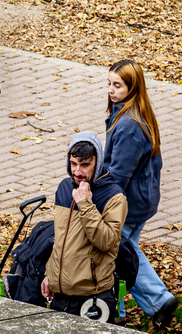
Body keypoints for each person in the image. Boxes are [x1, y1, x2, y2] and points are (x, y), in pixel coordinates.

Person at [102, 59, 176, 325]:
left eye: (117, 85)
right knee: (124, 250)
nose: (111, 90)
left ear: (132, 87)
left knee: (115, 252)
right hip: (140, 199)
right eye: (109, 83)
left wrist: (102, 204)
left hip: (130, 203)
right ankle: (149, 302)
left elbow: (119, 174)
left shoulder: (129, 124)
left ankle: (152, 301)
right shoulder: (131, 112)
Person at [42, 132, 128, 321]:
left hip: (93, 298)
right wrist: (51, 274)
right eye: (73, 164)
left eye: (85, 165)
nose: (78, 171)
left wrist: (86, 205)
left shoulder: (115, 197)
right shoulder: (65, 187)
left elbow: (107, 242)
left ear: (98, 162)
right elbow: (61, 239)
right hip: (61, 295)